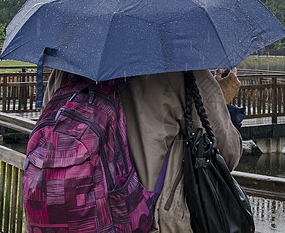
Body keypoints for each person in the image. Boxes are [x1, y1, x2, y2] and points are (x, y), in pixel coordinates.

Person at [43, 68, 243, 232]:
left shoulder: (66, 69)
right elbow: (227, 152)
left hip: (71, 214)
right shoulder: (180, 65)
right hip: (151, 222)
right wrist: (220, 101)